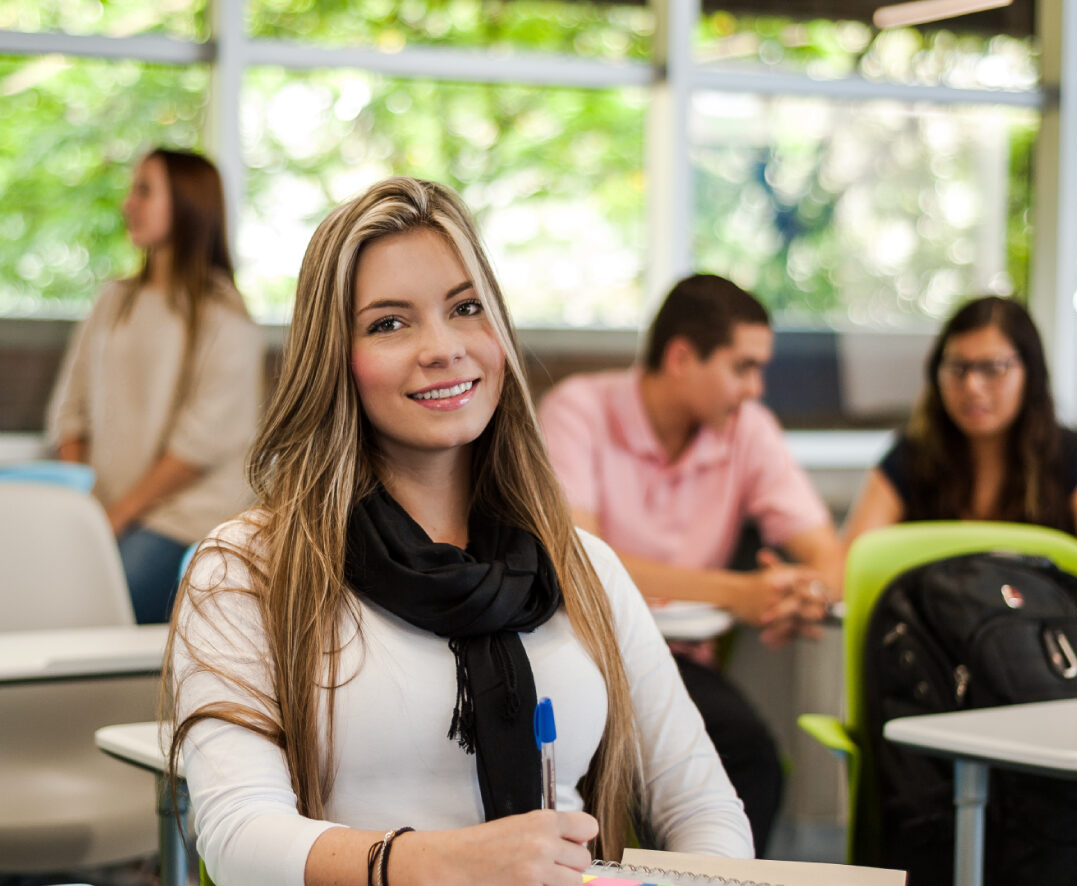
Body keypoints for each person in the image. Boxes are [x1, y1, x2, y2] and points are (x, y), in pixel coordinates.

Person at [165, 177, 754, 886]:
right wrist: (440, 862)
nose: (442, 348)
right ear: (333, 358)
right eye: (389, 323)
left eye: (465, 309)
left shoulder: (581, 568)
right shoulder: (247, 569)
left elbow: (704, 807)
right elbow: (237, 839)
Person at [537, 273, 844, 853]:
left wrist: (804, 594)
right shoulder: (577, 410)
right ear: (681, 357)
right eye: (742, 367)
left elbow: (826, 552)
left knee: (751, 757)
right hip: (589, 654)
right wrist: (740, 593)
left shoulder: (747, 430)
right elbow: (583, 563)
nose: (755, 388)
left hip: (679, 665)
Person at [47, 148, 263, 624]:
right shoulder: (113, 301)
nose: (128, 204)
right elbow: (71, 409)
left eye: (144, 191)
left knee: (89, 609)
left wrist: (110, 522)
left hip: (179, 520)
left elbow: (196, 447)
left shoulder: (226, 319)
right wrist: (80, 509)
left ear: (187, 204)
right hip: (103, 513)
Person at [843, 295, 1077, 543]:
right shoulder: (911, 456)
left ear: (1031, 374)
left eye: (992, 368)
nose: (972, 386)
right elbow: (854, 563)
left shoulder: (1070, 455)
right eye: (957, 367)